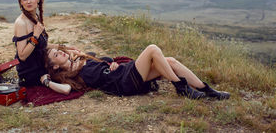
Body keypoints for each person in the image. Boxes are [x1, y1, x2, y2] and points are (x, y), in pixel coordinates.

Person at [43, 44, 230, 100]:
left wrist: (112, 64)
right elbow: (65, 91)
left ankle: (206, 90)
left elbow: (106, 60)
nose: (59, 52)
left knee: (170, 61)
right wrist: (46, 81)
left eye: (58, 50)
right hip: (123, 83)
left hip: (122, 72)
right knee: (152, 49)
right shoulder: (69, 78)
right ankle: (180, 87)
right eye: (55, 55)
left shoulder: (82, 59)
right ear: (55, 66)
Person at [12, 0, 78, 94]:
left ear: (38, 0)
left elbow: (41, 46)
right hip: (31, 71)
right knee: (72, 72)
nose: (28, 1)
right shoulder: (21, 23)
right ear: (21, 2)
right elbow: (22, 56)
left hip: (42, 63)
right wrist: (35, 36)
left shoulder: (35, 17)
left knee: (75, 60)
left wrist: (65, 48)